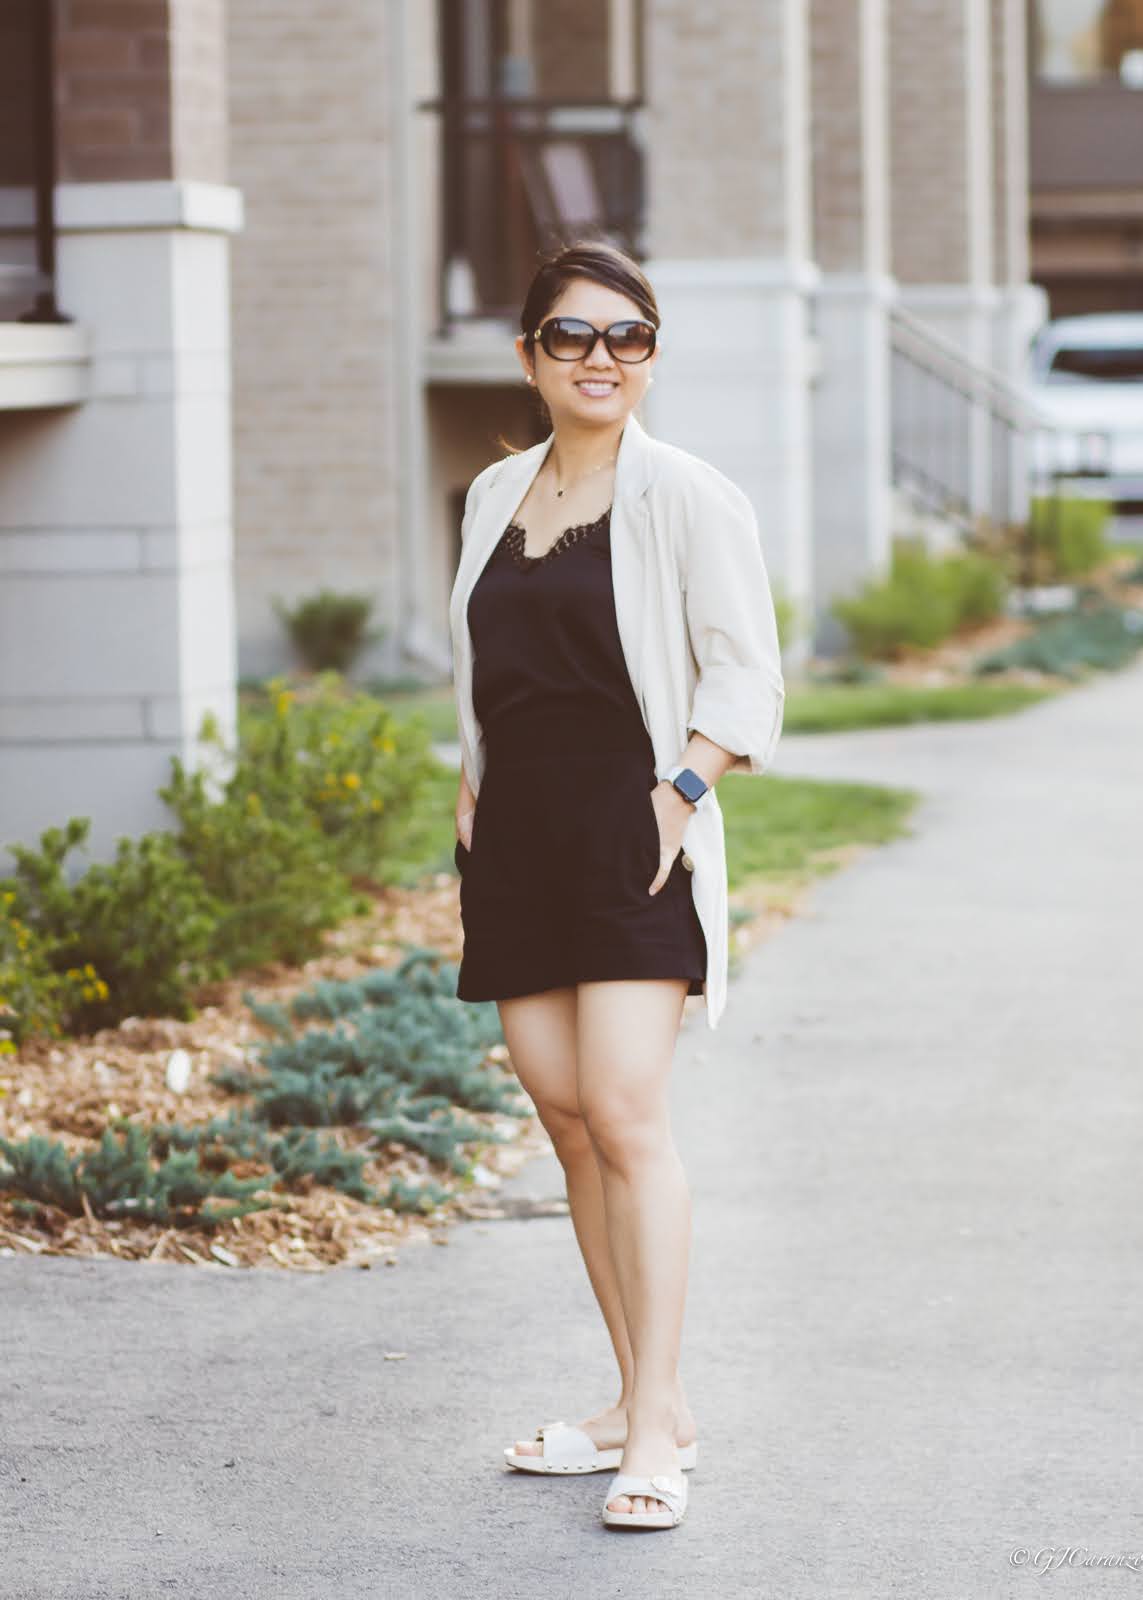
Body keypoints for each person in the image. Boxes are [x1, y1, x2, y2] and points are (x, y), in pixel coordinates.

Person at [447, 240, 785, 1531]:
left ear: (651, 357)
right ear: (529, 354)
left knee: (627, 1109)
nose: (602, 359)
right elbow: (487, 663)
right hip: (516, 841)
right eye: (575, 337)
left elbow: (743, 673)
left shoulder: (690, 497)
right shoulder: (489, 496)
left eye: (628, 337)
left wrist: (686, 789)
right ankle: (650, 1393)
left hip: (632, 830)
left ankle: (652, 1432)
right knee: (568, 1118)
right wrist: (466, 784)